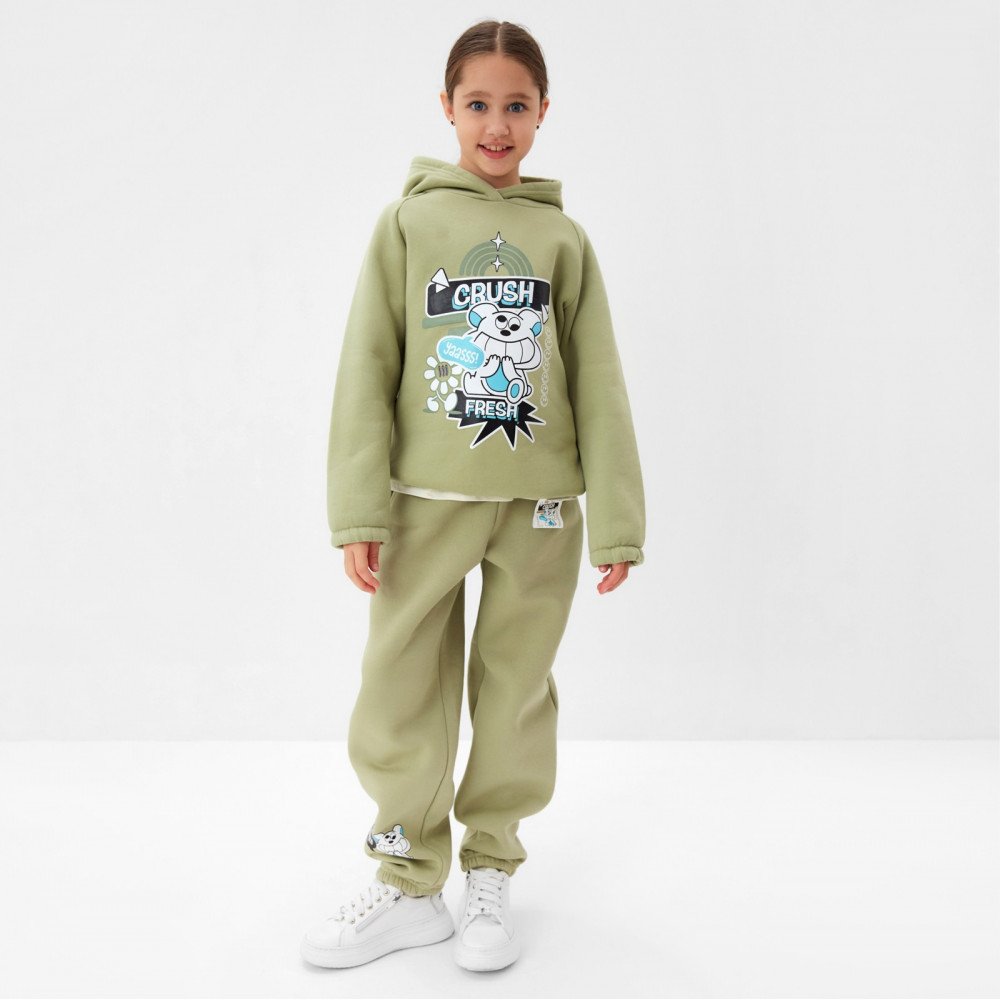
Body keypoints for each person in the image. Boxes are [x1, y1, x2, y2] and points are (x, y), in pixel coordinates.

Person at [301, 19, 645, 973]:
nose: (497, 125)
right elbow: (366, 367)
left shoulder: (563, 239)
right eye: (479, 103)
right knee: (401, 686)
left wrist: (619, 521)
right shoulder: (407, 225)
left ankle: (490, 868)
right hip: (423, 501)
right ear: (447, 108)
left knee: (516, 692)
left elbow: (599, 381)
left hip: (541, 511)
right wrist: (359, 510)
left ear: (543, 113)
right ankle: (409, 879)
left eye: (516, 105)